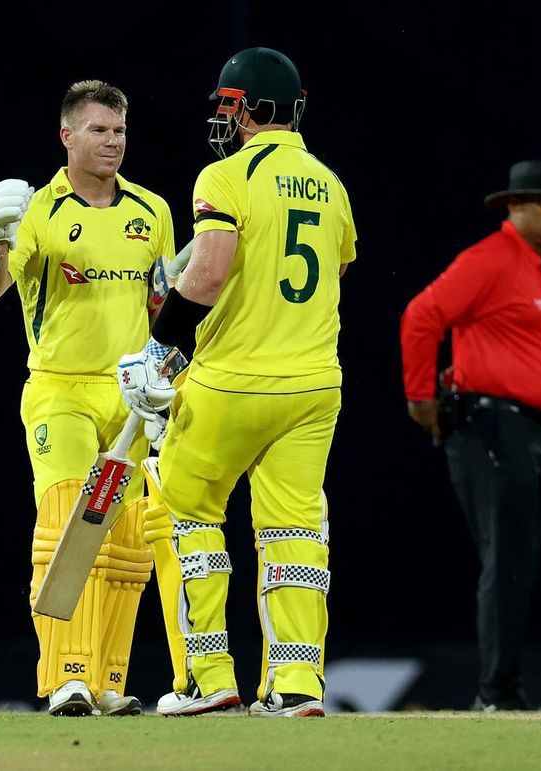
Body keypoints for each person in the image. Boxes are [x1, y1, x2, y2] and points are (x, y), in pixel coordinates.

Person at [115, 47, 357, 718]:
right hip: (314, 385)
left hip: (234, 381)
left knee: (186, 506)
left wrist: (160, 344)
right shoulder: (330, 183)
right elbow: (331, 279)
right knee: (295, 531)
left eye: (229, 107)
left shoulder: (226, 176)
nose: (224, 119)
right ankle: (297, 684)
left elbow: (212, 272)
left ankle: (207, 675)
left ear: (248, 110)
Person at [0, 80, 175, 716]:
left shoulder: (153, 211)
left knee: (125, 539)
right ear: (67, 136)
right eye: (98, 131)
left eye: (118, 131)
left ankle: (108, 680)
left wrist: (164, 371)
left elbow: (166, 300)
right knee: (66, 519)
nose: (112, 142)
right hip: (60, 391)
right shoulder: (36, 211)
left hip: (132, 398)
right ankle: (65, 676)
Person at [399, 159, 541, 710]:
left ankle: (502, 688)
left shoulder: (540, 262)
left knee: (518, 560)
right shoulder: (490, 259)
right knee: (506, 558)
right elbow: (421, 315)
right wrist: (420, 398)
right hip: (492, 426)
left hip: (527, 429)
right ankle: (497, 693)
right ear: (513, 205)